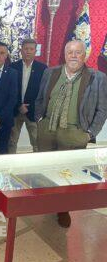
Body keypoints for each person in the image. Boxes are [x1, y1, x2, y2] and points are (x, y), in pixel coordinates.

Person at [35, 40, 107, 228]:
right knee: (46, 169)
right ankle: (47, 202)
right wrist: (39, 120)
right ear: (65, 54)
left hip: (75, 133)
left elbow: (102, 109)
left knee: (67, 174)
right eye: (70, 52)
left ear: (85, 55)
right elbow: (41, 97)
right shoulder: (50, 72)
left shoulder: (97, 77)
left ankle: (63, 210)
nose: (74, 56)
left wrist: (89, 133)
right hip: (47, 130)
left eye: (78, 52)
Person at [8, 39, 47, 153]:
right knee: (11, 142)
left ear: (35, 51)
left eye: (31, 49)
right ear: (21, 50)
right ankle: (10, 166)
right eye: (26, 49)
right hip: (15, 110)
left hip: (33, 112)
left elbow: (43, 92)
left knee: (37, 143)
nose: (28, 52)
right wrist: (19, 105)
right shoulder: (13, 67)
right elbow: (10, 90)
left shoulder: (43, 69)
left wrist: (30, 108)